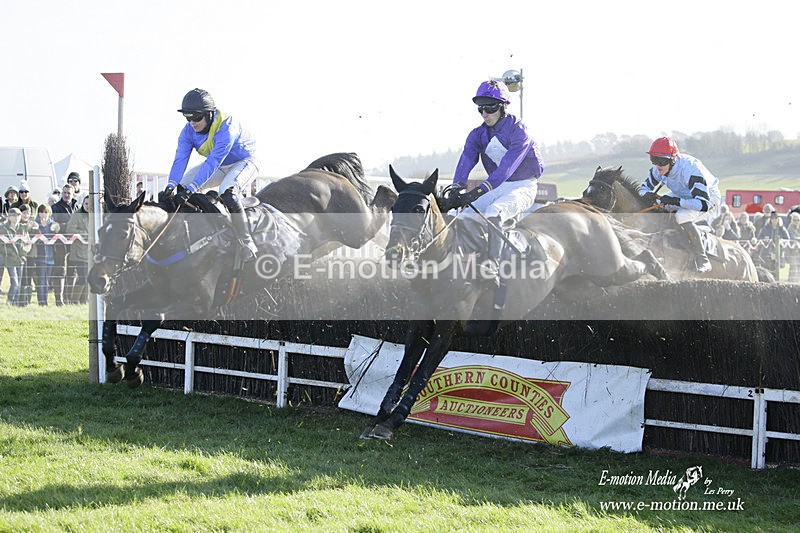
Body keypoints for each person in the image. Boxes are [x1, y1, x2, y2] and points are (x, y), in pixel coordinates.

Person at [445, 79, 544, 278]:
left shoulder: (519, 130)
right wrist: (457, 187)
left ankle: (493, 263)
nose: (484, 114)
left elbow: (507, 167)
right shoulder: (477, 134)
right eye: (480, 109)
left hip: (523, 185)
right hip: (499, 187)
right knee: (462, 214)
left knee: (494, 212)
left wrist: (478, 191)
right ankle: (467, 257)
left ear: (502, 107)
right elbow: (467, 159)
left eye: (489, 108)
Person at [162, 88, 259, 261]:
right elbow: (180, 159)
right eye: (188, 117)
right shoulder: (187, 132)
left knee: (227, 192)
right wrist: (170, 185)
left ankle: (247, 242)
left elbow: (212, 162)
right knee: (181, 186)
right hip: (221, 165)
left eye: (197, 117)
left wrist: (193, 189)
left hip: (245, 161)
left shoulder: (226, 127)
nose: (192, 123)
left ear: (209, 114)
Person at [639, 136, 721, 273]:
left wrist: (677, 202)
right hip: (684, 194)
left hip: (707, 198)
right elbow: (643, 189)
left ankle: (703, 260)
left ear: (672, 160)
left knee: (682, 216)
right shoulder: (659, 169)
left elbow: (702, 204)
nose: (657, 165)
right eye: (653, 160)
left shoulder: (691, 170)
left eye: (661, 161)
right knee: (659, 205)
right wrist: (647, 195)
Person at [50, 183, 76, 306]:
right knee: (60, 271)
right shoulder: (56, 208)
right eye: (64, 193)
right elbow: (55, 226)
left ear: (73, 194)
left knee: (72, 271)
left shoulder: (77, 206)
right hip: (60, 244)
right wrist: (68, 227)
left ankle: (68, 298)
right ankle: (58, 300)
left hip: (75, 244)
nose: (66, 195)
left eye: (68, 193)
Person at [31, 204, 59, 305]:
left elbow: (57, 229)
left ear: (49, 213)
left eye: (46, 212)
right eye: (41, 212)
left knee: (47, 281)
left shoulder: (53, 224)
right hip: (40, 257)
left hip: (51, 257)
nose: (43, 214)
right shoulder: (35, 224)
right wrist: (36, 228)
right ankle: (41, 302)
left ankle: (45, 300)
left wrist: (56, 228)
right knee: (41, 280)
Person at [65, 194, 90, 304]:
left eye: (90, 204)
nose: (88, 206)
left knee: (88, 278)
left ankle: (83, 300)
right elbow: (69, 230)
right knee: (83, 277)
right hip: (79, 252)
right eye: (86, 203)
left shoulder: (97, 216)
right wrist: (85, 234)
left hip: (91, 253)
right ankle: (74, 300)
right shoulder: (77, 215)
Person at [1, 207, 24, 305]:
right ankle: (9, 300)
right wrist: (10, 252)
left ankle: (15, 302)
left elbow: (27, 243)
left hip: (21, 258)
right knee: (14, 282)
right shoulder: (3, 229)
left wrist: (23, 253)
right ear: (9, 217)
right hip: (9, 259)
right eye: (13, 216)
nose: (16, 218)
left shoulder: (23, 228)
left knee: (19, 283)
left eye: (18, 215)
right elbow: (2, 245)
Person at [786, 212, 800, 283]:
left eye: (798, 220)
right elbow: (791, 238)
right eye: (795, 220)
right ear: (792, 220)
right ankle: (791, 283)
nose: (796, 221)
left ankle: (798, 283)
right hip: (792, 252)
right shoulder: (790, 228)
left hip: (799, 251)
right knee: (793, 268)